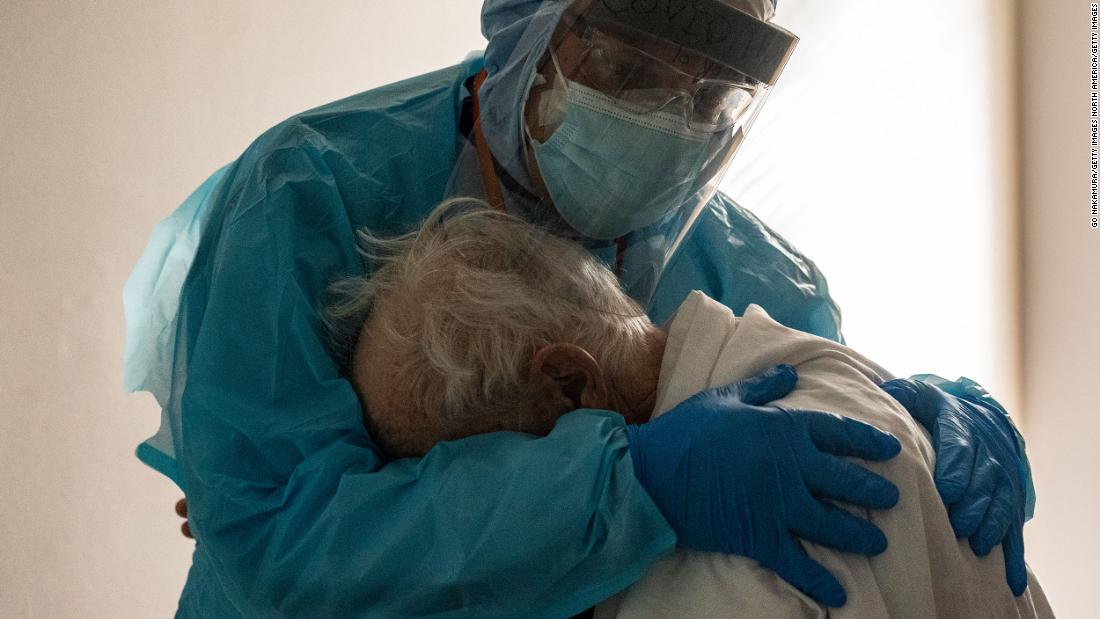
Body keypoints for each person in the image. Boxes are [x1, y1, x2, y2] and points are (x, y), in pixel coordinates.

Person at [126, 0, 1034, 615]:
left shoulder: (760, 274)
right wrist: (624, 484)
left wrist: (910, 407)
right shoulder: (310, 191)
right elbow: (279, 537)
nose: (671, 114)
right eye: (630, 68)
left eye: (711, 91)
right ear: (530, 27)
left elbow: (824, 460)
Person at [329, 200, 1052, 617]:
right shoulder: (805, 364)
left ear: (571, 387)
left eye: (459, 469)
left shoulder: (727, 562)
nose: (474, 516)